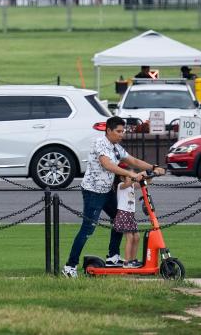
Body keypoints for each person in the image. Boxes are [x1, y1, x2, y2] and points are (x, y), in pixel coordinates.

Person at [63, 116, 165, 277]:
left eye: (122, 131)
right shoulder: (100, 143)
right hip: (93, 192)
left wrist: (154, 167)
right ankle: (70, 267)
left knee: (119, 220)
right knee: (87, 229)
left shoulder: (116, 147)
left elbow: (133, 160)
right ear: (108, 130)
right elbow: (107, 164)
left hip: (108, 191)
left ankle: (113, 257)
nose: (121, 134)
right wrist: (129, 173)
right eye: (118, 131)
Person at [114, 175, 142, 267]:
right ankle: (127, 262)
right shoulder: (121, 185)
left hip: (130, 215)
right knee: (129, 237)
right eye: (129, 176)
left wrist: (151, 175)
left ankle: (132, 260)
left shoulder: (132, 185)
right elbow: (129, 183)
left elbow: (146, 183)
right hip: (123, 214)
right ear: (122, 178)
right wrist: (136, 178)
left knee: (137, 237)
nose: (132, 177)